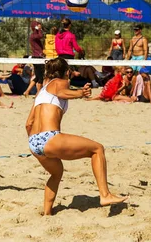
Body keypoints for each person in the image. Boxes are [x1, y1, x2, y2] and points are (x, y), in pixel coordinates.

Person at [25, 57, 128, 215]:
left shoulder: (41, 91)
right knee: (97, 149)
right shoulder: (60, 82)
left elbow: (28, 123)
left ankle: (47, 212)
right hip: (49, 138)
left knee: (56, 173)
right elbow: (61, 91)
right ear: (67, 72)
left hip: (33, 142)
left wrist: (37, 143)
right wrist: (80, 93)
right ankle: (105, 195)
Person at [29, 21, 45, 94]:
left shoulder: (34, 36)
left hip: (38, 56)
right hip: (37, 57)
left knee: (38, 76)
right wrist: (39, 29)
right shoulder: (34, 36)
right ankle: (38, 93)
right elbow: (40, 36)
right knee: (40, 76)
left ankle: (27, 91)